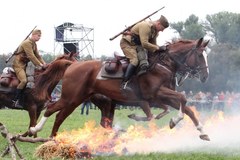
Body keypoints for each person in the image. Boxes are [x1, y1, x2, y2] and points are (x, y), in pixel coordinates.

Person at [120, 15, 169, 92]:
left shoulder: (155, 32)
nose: (162, 31)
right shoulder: (146, 26)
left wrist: (161, 49)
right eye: (162, 28)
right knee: (135, 60)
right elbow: (145, 44)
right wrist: (158, 48)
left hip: (137, 45)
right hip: (128, 43)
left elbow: (153, 45)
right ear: (158, 24)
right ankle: (124, 83)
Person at [12, 29, 47, 108]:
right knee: (24, 80)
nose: (39, 37)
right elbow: (31, 56)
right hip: (18, 65)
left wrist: (45, 63)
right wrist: (40, 65)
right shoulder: (27, 43)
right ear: (33, 35)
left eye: (40, 36)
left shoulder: (34, 44)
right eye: (38, 36)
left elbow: (38, 56)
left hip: (25, 65)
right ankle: (15, 100)